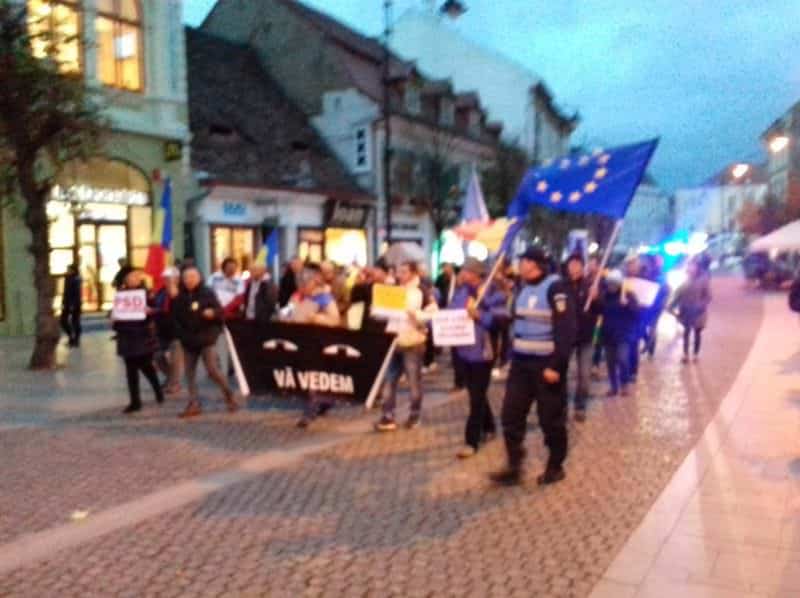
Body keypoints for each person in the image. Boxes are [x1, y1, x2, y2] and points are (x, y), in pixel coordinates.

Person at [490, 247, 576, 486]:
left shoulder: (555, 288)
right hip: (521, 363)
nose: (519, 266)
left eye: (523, 261)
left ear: (533, 264)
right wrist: (481, 315)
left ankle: (555, 465)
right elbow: (510, 318)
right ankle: (514, 465)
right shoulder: (522, 288)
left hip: (546, 365)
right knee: (510, 415)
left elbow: (566, 330)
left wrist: (557, 366)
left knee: (550, 419)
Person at [450, 258, 504, 458]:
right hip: (464, 351)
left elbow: (500, 320)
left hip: (484, 353)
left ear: (476, 274)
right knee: (477, 393)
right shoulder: (461, 292)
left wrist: (480, 315)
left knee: (476, 397)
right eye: (463, 270)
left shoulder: (493, 293)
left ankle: (471, 441)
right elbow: (450, 314)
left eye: (466, 270)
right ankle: (489, 426)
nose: (463, 274)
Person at [374, 261, 437, 432]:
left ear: (413, 273)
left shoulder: (421, 291)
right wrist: (379, 310)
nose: (399, 275)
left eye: (404, 271)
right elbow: (379, 313)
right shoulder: (392, 289)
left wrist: (416, 315)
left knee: (413, 382)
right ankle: (388, 416)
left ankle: (414, 415)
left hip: (413, 341)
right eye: (398, 271)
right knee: (389, 380)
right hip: (393, 339)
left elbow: (433, 312)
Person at [173, 267, 239, 418]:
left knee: (212, 370)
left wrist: (212, 314)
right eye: (186, 278)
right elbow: (175, 319)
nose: (189, 280)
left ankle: (229, 394)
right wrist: (182, 336)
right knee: (189, 373)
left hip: (206, 339)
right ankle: (194, 403)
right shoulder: (180, 297)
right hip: (188, 340)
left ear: (198, 278)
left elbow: (220, 312)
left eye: (192, 277)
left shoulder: (207, 293)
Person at [286, 266, 341, 428]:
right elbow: (287, 312)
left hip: (319, 342)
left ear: (313, 282)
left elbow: (335, 320)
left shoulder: (325, 298)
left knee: (314, 377)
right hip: (300, 341)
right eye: (300, 285)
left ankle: (310, 411)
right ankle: (325, 402)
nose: (302, 288)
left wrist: (317, 318)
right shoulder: (296, 297)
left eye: (305, 284)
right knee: (304, 377)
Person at [112, 270, 164, 414]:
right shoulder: (121, 295)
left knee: (146, 366)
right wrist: (113, 319)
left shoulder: (146, 294)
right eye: (130, 277)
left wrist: (151, 311)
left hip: (141, 335)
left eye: (135, 277)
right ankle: (135, 401)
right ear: (125, 280)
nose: (133, 279)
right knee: (131, 370)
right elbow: (115, 314)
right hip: (126, 336)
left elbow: (157, 310)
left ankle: (157, 389)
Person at [564, 254, 601, 422]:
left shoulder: (590, 286)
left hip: (585, 336)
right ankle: (562, 406)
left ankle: (580, 406)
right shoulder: (562, 286)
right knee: (561, 374)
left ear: (582, 266)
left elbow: (601, 309)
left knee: (584, 376)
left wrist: (596, 299)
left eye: (577, 264)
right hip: (566, 336)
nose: (574, 267)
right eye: (571, 264)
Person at [599, 270, 639, 397]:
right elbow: (598, 309)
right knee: (610, 362)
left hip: (623, 334)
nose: (611, 287)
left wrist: (627, 305)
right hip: (608, 334)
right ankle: (613, 386)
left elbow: (636, 313)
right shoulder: (605, 296)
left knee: (622, 359)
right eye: (609, 284)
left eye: (614, 284)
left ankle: (624, 384)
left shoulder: (628, 295)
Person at [670, 259, 712, 363]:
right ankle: (685, 354)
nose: (691, 268)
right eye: (689, 266)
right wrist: (672, 306)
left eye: (693, 266)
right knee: (686, 332)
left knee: (697, 333)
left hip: (699, 311)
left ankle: (695, 354)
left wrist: (701, 306)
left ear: (697, 268)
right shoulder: (684, 280)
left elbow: (708, 296)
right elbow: (678, 295)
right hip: (686, 310)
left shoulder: (703, 280)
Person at [152, 267, 183, 395]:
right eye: (165, 278)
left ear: (177, 279)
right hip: (162, 330)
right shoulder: (160, 292)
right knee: (158, 356)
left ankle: (174, 383)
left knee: (176, 358)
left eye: (170, 278)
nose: (167, 281)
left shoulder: (182, 292)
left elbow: (177, 301)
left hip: (178, 331)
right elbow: (156, 307)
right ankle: (171, 378)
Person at [60, 264, 82, 347]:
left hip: (74, 304)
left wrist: (73, 304)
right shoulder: (68, 278)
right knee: (63, 321)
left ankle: (76, 340)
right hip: (67, 303)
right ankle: (71, 337)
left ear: (73, 270)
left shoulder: (76, 279)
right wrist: (63, 302)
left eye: (69, 269)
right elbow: (66, 292)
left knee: (75, 322)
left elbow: (76, 293)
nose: (67, 271)